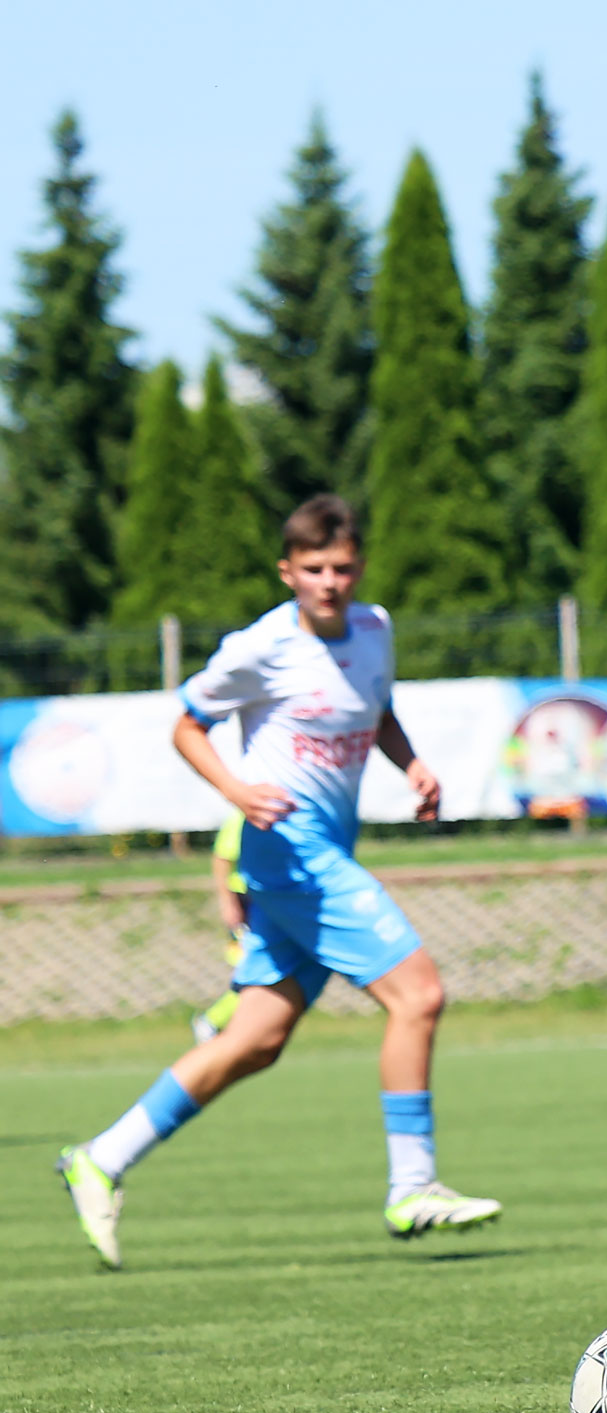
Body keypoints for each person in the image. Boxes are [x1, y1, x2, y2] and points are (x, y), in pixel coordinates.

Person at [56, 496, 500, 1270]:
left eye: (343, 568)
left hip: (321, 852)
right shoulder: (259, 648)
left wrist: (413, 764)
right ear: (287, 571)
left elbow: (378, 711)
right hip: (290, 857)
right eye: (315, 570)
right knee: (418, 995)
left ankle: (101, 1156)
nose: (330, 582)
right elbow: (186, 724)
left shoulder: (375, 629)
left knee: (254, 1041)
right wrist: (234, 790)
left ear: (359, 566)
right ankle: (413, 1186)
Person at [190, 811, 248, 1043]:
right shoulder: (243, 817)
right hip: (246, 905)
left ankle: (224, 1027)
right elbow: (222, 858)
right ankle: (211, 1022)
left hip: (267, 906)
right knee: (251, 974)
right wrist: (228, 903)